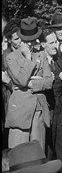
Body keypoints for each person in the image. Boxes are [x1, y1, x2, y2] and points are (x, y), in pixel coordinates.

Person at [5, 17, 53, 150]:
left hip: (39, 109)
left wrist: (31, 84)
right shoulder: (11, 58)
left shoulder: (42, 55)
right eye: (27, 41)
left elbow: (49, 82)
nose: (30, 44)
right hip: (20, 111)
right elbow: (21, 80)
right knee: (19, 154)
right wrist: (27, 58)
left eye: (32, 40)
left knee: (38, 153)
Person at [40, 28, 62, 173]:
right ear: (43, 44)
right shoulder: (39, 61)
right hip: (47, 110)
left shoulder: (58, 60)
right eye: (51, 43)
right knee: (48, 150)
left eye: (56, 42)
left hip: (61, 110)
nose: (55, 46)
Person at [2, 18, 22, 150]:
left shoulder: (26, 52)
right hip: (12, 105)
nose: (20, 41)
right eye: (16, 39)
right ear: (9, 40)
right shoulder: (5, 57)